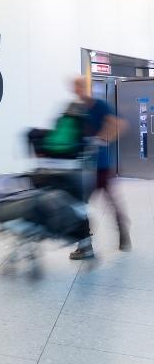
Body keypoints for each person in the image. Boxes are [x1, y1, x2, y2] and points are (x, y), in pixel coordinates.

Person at [69, 75, 130, 260]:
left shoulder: (100, 106)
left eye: (80, 86)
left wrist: (104, 138)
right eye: (75, 86)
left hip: (101, 166)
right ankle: (87, 244)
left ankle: (118, 234)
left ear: (85, 87)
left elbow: (121, 124)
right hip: (84, 167)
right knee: (81, 204)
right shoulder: (77, 109)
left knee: (98, 202)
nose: (77, 89)